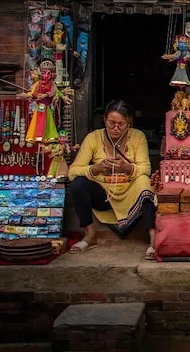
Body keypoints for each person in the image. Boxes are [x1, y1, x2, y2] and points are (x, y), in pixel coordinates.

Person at [68, 100, 158, 259]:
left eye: (121, 124)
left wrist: (127, 168)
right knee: (78, 184)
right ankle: (90, 235)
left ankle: (153, 240)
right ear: (104, 120)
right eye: (112, 123)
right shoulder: (93, 138)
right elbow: (73, 171)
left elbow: (146, 168)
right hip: (104, 195)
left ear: (129, 123)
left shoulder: (137, 137)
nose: (116, 128)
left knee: (145, 182)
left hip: (130, 193)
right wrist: (95, 169)